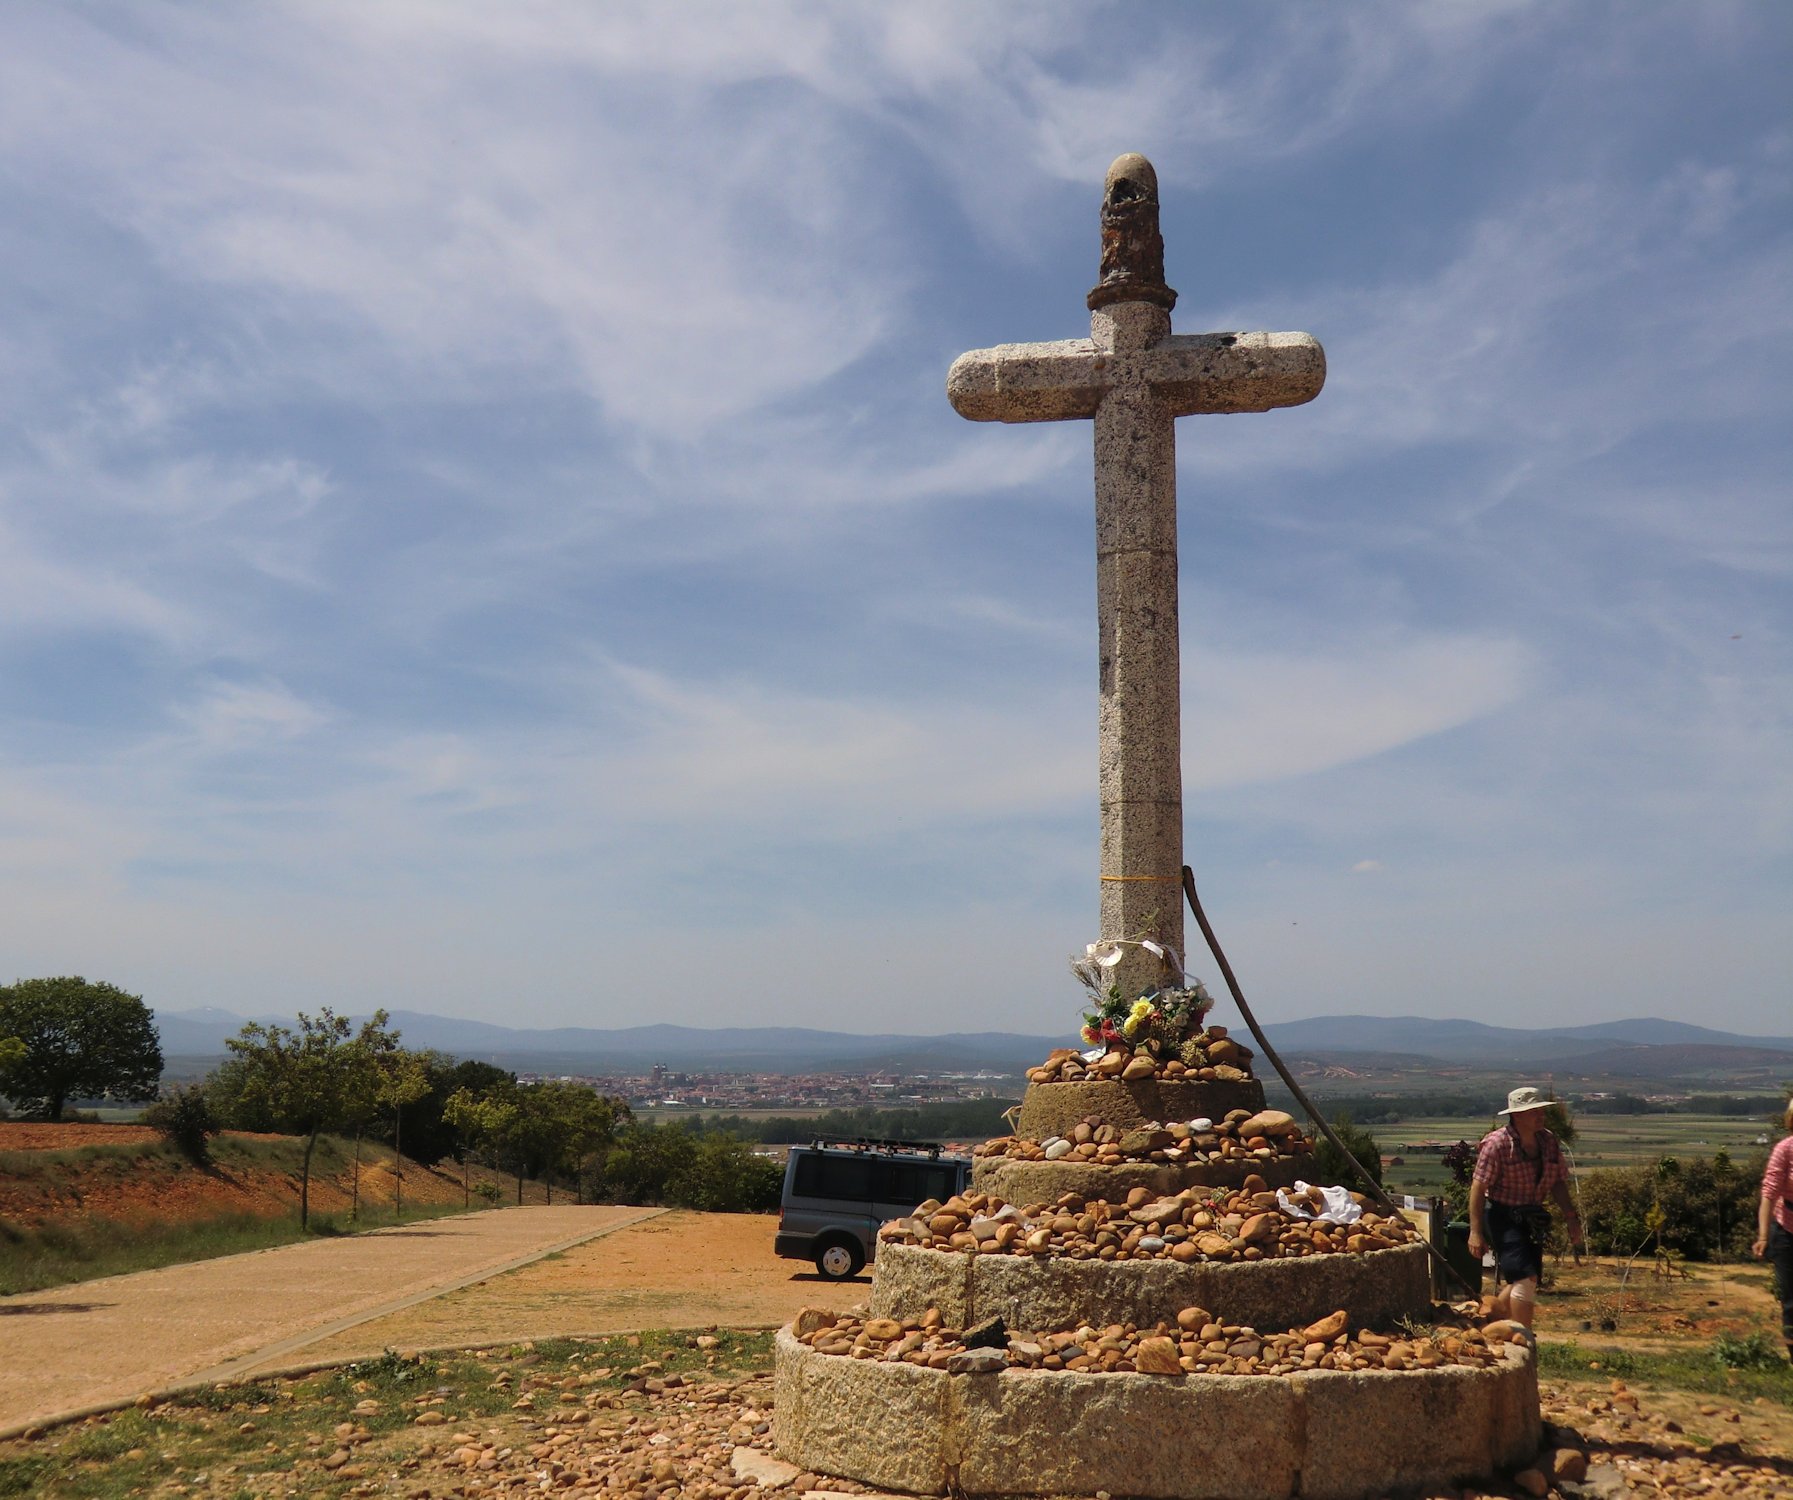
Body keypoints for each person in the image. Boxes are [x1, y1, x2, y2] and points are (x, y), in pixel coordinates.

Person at [1467, 1086, 1584, 1337]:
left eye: (1540, 1110)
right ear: (1517, 1115)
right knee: (1526, 1278)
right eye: (1534, 1111)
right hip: (1502, 1215)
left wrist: (1571, 1218)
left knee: (1524, 1279)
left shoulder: (1548, 1141)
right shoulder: (1497, 1145)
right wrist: (1475, 1232)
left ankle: (1490, 1323)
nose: (1540, 1115)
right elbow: (1478, 1188)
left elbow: (1557, 1182)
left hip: (1532, 1218)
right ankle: (1524, 1336)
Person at [1750, 1097, 1793, 1363]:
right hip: (1788, 1231)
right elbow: (1769, 1193)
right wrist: (1763, 1236)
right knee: (1791, 1299)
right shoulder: (1785, 1149)